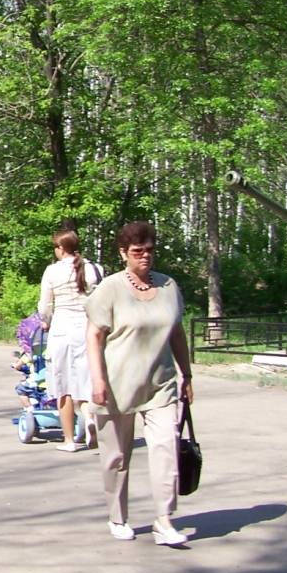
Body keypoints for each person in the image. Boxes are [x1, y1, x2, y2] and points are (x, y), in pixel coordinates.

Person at [84, 221, 194, 545]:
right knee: (116, 457)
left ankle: (164, 520)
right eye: (137, 251)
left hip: (160, 383)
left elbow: (177, 333)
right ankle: (118, 517)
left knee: (166, 448)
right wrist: (98, 380)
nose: (145, 256)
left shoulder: (168, 287)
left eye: (149, 250)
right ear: (123, 253)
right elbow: (93, 335)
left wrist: (187, 374)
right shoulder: (110, 289)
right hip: (117, 384)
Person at [37, 229, 103, 452]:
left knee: (63, 385)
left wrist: (45, 321)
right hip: (88, 329)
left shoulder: (52, 271)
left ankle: (69, 440)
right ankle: (90, 419)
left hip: (62, 329)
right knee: (86, 382)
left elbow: (45, 306)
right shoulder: (94, 268)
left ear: (61, 248)